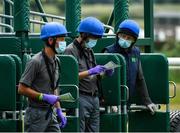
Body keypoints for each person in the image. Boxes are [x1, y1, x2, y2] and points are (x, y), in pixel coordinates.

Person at [64, 17, 112, 132]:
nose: (94, 41)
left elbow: (94, 76)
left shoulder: (89, 50)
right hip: (81, 97)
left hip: (94, 97)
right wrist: (90, 71)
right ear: (84, 35)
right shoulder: (70, 50)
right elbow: (69, 78)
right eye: (93, 38)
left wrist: (105, 73)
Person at [18, 22, 68, 132]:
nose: (64, 42)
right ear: (51, 40)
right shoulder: (35, 61)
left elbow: (54, 88)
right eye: (62, 39)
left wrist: (59, 110)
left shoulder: (57, 61)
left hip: (50, 112)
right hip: (35, 114)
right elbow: (21, 89)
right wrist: (43, 97)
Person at [103, 19, 157, 114]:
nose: (125, 39)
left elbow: (140, 78)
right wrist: (111, 102)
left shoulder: (136, 52)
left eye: (129, 38)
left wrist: (148, 102)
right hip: (110, 104)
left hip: (127, 101)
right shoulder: (109, 52)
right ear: (118, 35)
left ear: (134, 40)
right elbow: (103, 80)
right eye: (123, 36)